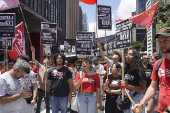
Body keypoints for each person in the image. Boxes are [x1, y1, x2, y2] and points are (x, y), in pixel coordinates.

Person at [131, 27, 170, 113]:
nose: (162, 44)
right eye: (160, 41)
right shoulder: (158, 64)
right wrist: (141, 104)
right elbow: (153, 87)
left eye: (166, 40)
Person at [119, 49, 146, 113]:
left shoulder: (139, 70)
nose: (127, 56)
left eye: (130, 55)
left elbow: (143, 89)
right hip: (127, 96)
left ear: (135, 57)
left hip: (136, 97)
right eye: (127, 54)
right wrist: (120, 100)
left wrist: (127, 85)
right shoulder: (126, 69)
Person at [30, 46, 51, 113]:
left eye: (48, 59)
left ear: (50, 61)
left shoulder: (53, 69)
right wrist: (33, 51)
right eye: (45, 58)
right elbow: (33, 60)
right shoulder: (40, 66)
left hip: (48, 89)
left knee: (47, 105)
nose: (46, 59)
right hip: (40, 88)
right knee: (38, 104)